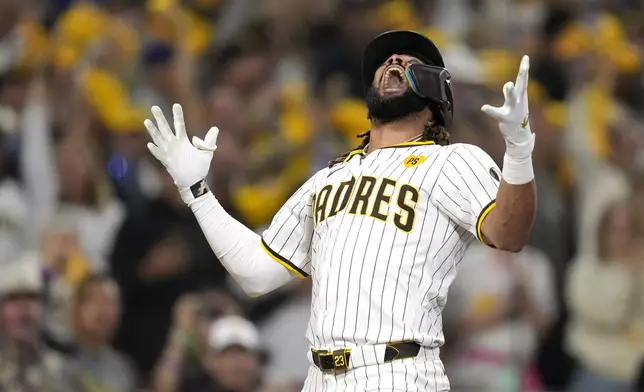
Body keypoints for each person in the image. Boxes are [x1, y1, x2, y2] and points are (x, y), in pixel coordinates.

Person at [144, 30, 537, 391]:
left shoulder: (453, 161)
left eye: (408, 61)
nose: (393, 62)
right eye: (385, 62)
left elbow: (508, 234)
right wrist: (196, 191)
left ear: (437, 93)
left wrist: (519, 152)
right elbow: (256, 273)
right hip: (320, 378)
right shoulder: (328, 178)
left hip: (398, 372)